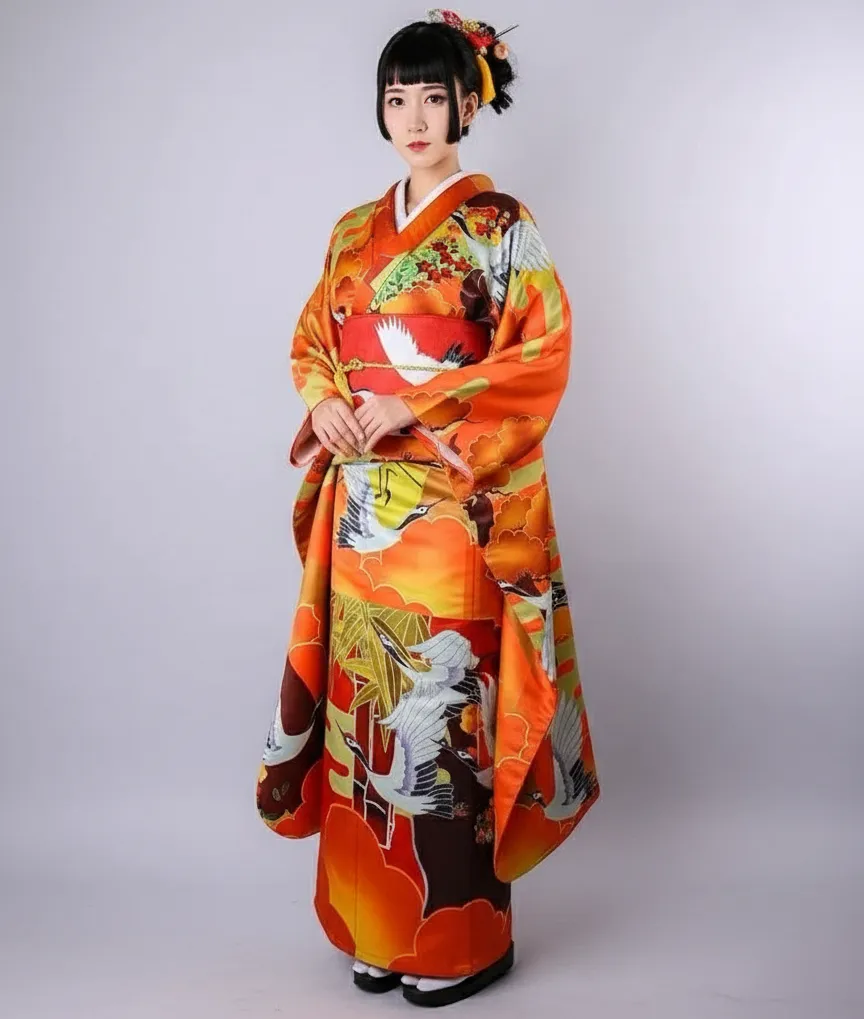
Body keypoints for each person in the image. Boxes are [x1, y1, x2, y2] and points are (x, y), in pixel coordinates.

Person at [256, 8, 600, 1008]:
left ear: (467, 108)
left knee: (442, 714)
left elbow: (540, 352)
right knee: (365, 707)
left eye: (433, 98)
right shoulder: (351, 232)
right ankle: (374, 924)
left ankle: (461, 937)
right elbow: (316, 338)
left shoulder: (501, 227)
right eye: (396, 98)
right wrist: (326, 397)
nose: (413, 118)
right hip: (363, 505)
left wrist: (418, 400)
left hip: (451, 505)